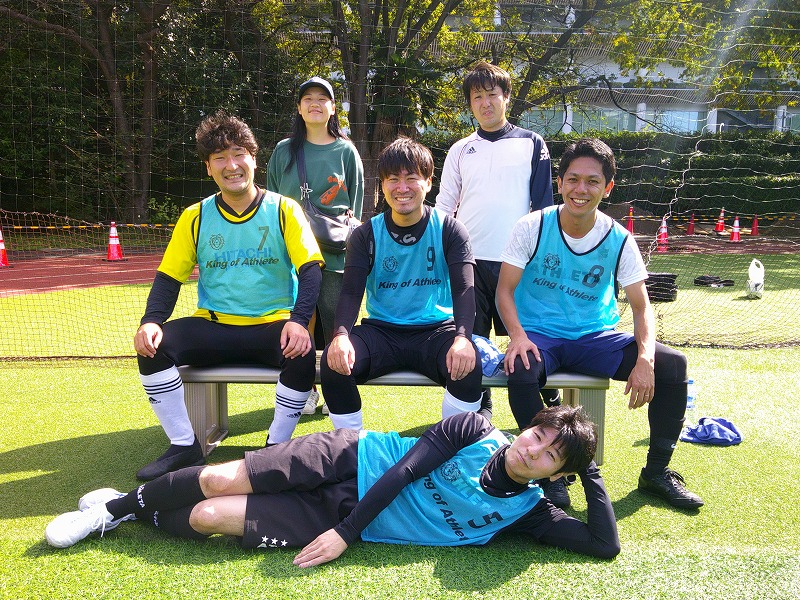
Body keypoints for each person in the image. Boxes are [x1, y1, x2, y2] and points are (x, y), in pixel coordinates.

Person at [44, 405, 621, 564]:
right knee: (218, 479)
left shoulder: (527, 512)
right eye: (537, 435)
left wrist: (589, 469)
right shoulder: (474, 429)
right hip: (349, 460)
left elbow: (604, 545)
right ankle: (111, 511)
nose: (532, 449)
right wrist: (347, 533)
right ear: (527, 427)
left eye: (550, 456)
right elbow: (404, 472)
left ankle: (135, 510)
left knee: (206, 516)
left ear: (557, 474)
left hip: (339, 516)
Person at [496, 138, 704, 510]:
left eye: (592, 181)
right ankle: (548, 476)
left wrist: (645, 359)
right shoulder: (532, 226)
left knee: (673, 364)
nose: (581, 189)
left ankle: (656, 473)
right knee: (521, 368)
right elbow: (504, 291)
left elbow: (641, 307)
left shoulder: (619, 238)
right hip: (540, 336)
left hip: (594, 337)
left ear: (608, 187)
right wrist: (518, 336)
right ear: (560, 183)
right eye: (573, 179)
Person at [132, 110, 324, 481]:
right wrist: (151, 321)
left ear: (254, 159)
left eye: (239, 154)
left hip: (272, 325)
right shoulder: (196, 216)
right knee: (152, 347)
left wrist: (299, 322)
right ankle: (184, 446)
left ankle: (275, 450)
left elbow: (311, 269)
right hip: (215, 326)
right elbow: (169, 277)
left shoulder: (284, 209)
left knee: (301, 351)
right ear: (208, 168)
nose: (231, 165)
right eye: (220, 158)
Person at [320, 137, 483, 430]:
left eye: (411, 178)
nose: (402, 188)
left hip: (436, 331)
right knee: (334, 363)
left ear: (428, 183)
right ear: (383, 185)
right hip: (382, 331)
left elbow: (464, 290)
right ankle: (350, 448)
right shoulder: (365, 234)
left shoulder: (450, 229)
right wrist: (341, 335)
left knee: (468, 365)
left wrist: (462, 338)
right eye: (393, 179)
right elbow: (351, 292)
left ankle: (452, 446)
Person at [436, 60, 560, 435]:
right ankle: (482, 407)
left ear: (506, 97)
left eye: (492, 94)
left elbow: (544, 207)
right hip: (469, 262)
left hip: (518, 263)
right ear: (470, 104)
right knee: (474, 339)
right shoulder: (460, 149)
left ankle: (550, 393)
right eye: (477, 97)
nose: (485, 103)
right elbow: (444, 206)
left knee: (529, 335)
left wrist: (539, 255)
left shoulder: (532, 143)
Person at [267, 77, 364, 417]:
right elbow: (272, 203)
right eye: (307, 98)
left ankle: (339, 392)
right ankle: (303, 391)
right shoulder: (283, 151)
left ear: (333, 108)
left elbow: (355, 209)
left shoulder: (346, 151)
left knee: (337, 326)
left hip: (335, 257)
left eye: (322, 99)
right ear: (298, 108)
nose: (315, 104)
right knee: (298, 325)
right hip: (292, 258)